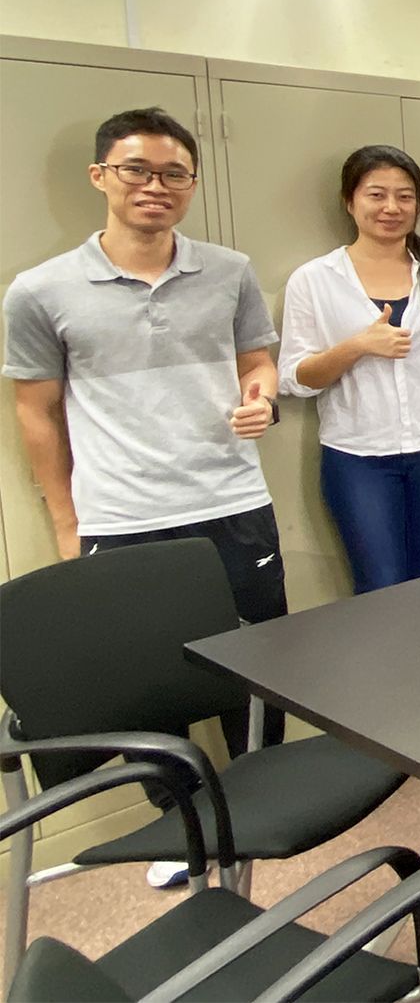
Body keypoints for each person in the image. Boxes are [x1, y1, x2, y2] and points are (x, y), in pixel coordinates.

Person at [5, 108, 289, 806]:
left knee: (263, 666)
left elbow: (258, 362)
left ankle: (267, 799)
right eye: (137, 169)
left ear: (191, 183)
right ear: (101, 175)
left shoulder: (229, 270)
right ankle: (183, 822)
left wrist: (261, 395)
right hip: (124, 513)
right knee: (152, 682)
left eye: (174, 173)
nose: (155, 185)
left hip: (232, 500)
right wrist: (67, 522)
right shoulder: (40, 289)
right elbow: (34, 413)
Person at [280, 145, 420, 593]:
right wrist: (358, 346)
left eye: (405, 196)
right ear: (350, 201)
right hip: (358, 458)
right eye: (376, 195)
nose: (392, 208)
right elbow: (295, 379)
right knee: (379, 585)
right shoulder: (315, 279)